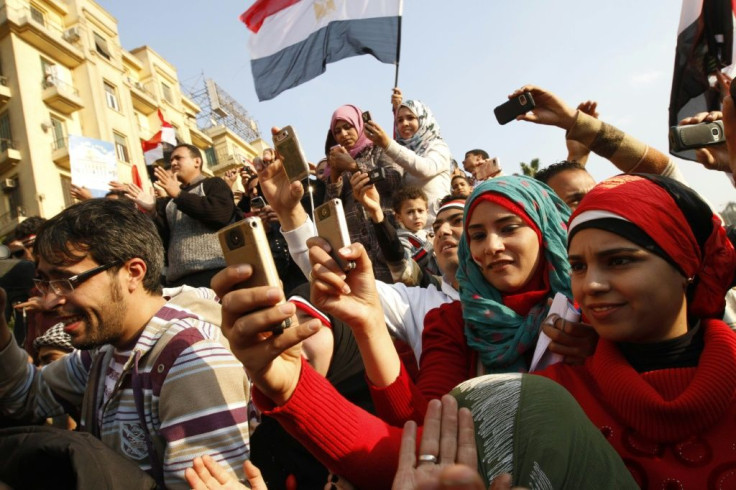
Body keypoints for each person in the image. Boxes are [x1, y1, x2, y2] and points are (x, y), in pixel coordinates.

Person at [0, 199, 250, 489]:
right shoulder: (104, 351)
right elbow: (29, 397)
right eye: (45, 282)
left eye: (67, 281)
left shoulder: (190, 361)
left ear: (133, 272)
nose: (51, 300)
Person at [529, 174, 736, 487]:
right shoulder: (546, 401)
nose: (591, 285)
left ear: (686, 266)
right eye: (578, 266)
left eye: (619, 260)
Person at [115, 144, 239, 288]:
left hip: (213, 273)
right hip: (178, 281)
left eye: (178, 158)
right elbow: (164, 239)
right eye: (172, 160)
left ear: (197, 162)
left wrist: (179, 194)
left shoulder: (213, 183)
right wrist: (152, 213)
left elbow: (221, 214)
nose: (173, 163)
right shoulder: (170, 200)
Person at [325, 106, 404, 283]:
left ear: (359, 125)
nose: (343, 134)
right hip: (357, 250)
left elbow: (394, 179)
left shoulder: (378, 149)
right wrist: (335, 176)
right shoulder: (335, 164)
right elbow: (330, 211)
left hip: (385, 237)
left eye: (348, 127)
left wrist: (354, 167)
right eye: (337, 131)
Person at [364, 95, 453, 223]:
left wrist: (387, 144)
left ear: (423, 119)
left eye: (410, 118)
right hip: (411, 233)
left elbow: (425, 169)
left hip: (438, 226)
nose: (404, 123)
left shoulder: (438, 146)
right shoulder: (399, 152)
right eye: (399, 120)